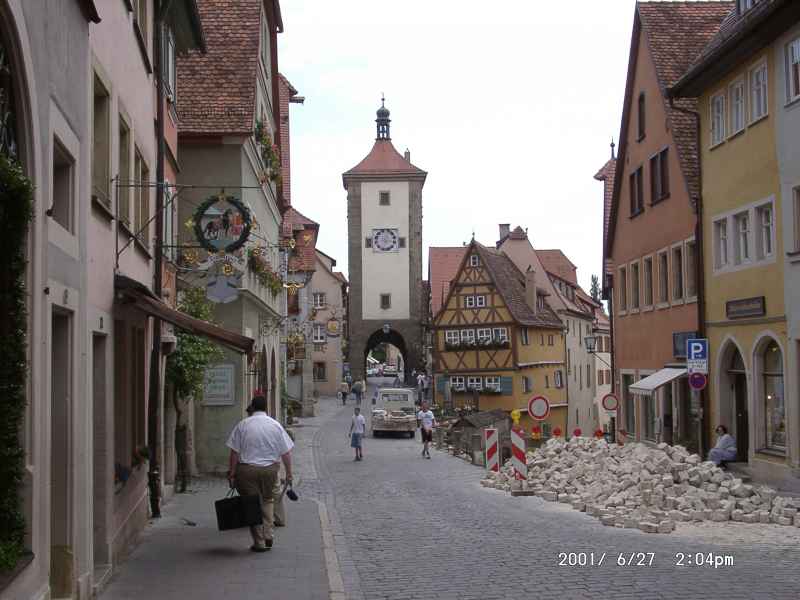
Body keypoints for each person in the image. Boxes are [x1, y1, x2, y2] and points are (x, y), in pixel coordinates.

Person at [226, 395, 294, 553]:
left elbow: (234, 453)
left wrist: (232, 473)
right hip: (270, 470)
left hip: (247, 470)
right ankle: (269, 533)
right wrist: (289, 473)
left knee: (251, 505)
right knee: (268, 501)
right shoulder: (275, 425)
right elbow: (286, 453)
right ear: (266, 408)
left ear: (253, 407)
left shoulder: (243, 425)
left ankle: (259, 542)